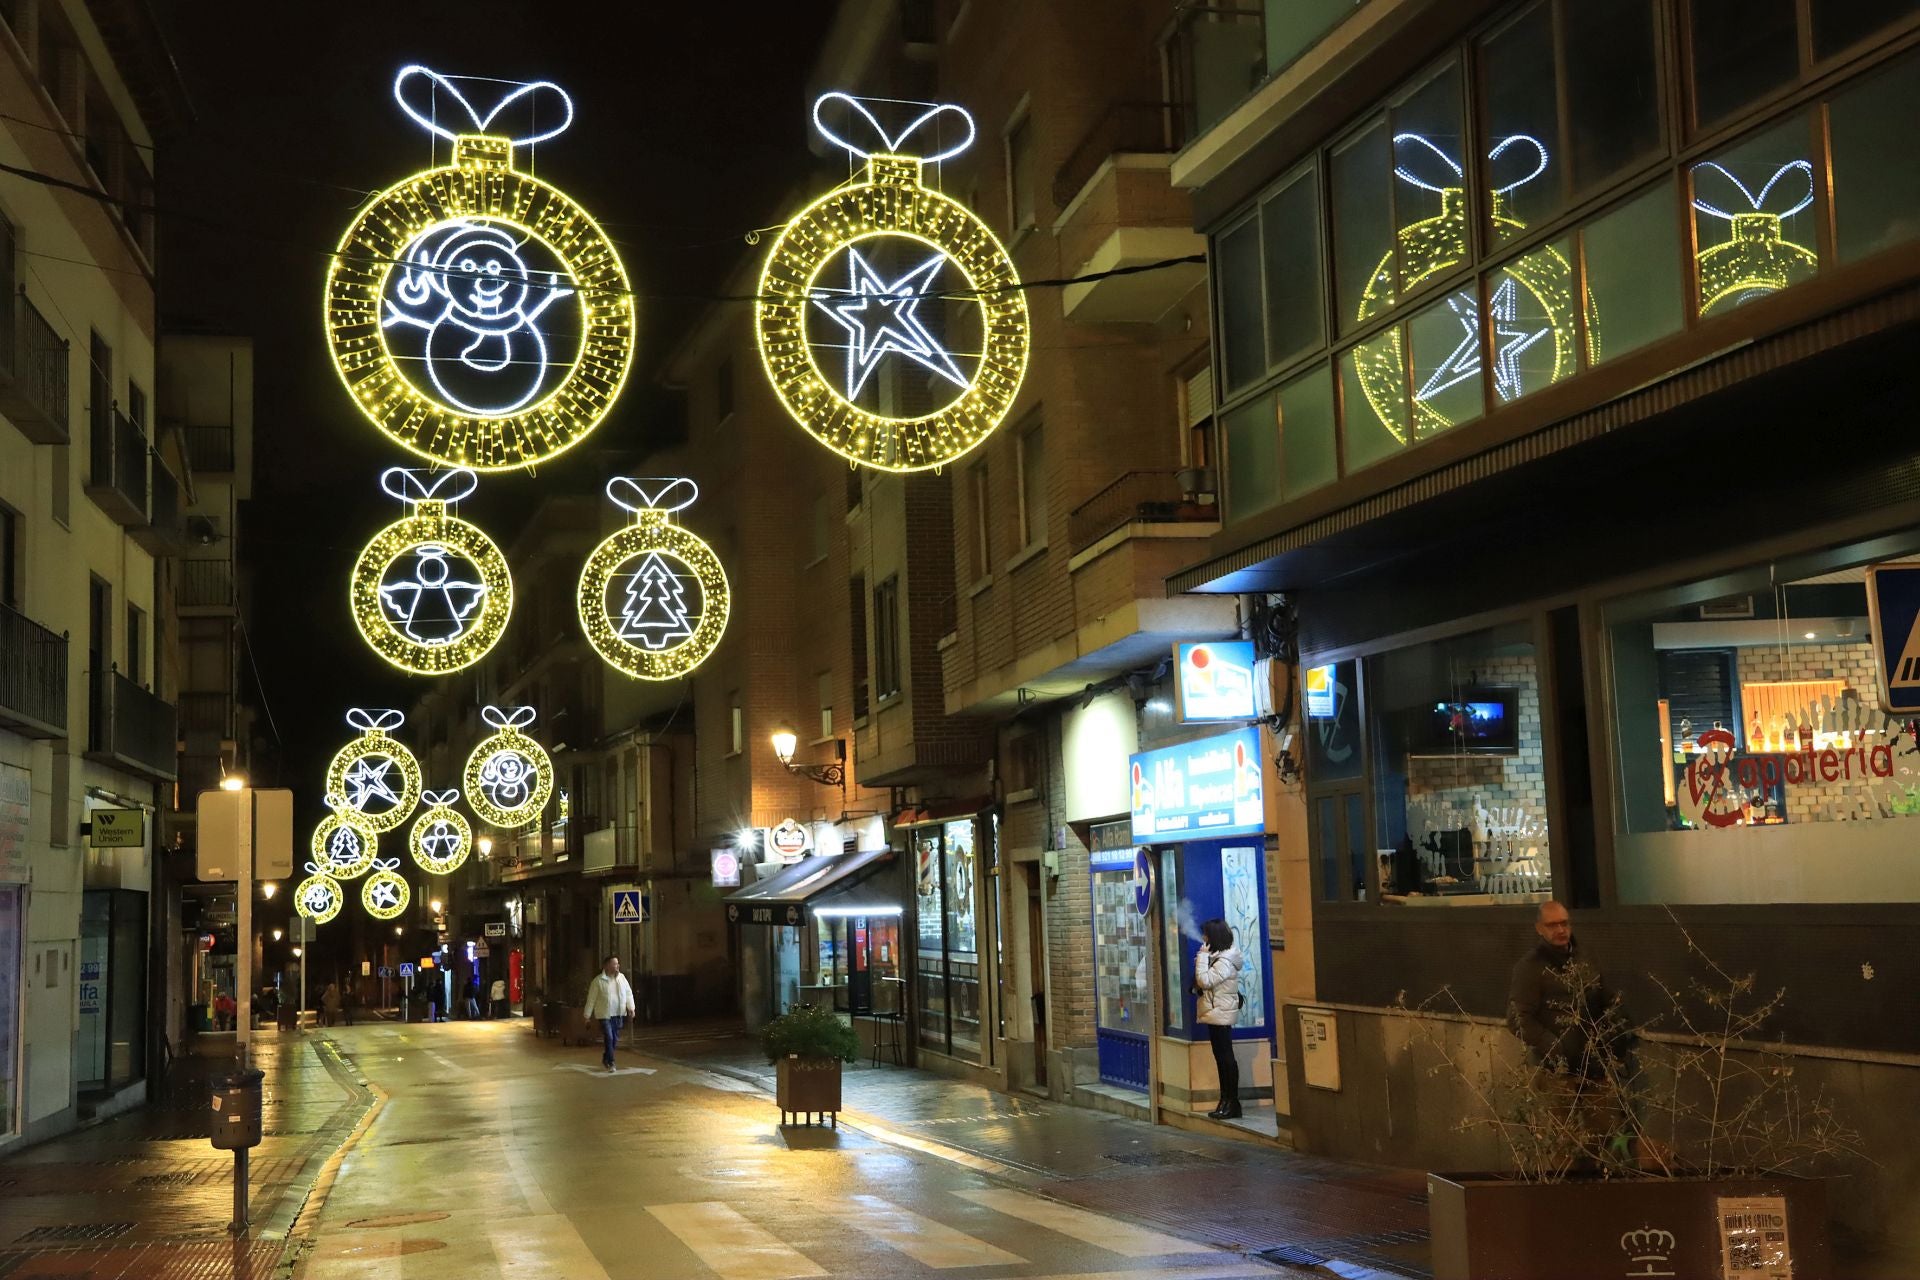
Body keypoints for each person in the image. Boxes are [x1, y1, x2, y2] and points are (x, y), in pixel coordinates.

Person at [1193, 919, 1244, 1119]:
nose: (1203, 938)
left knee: (1225, 1059)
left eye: (1206, 934)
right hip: (1215, 1012)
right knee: (1221, 1058)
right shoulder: (1218, 958)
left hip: (1221, 1013)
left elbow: (1206, 981)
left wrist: (1202, 958)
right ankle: (1225, 1100)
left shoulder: (1225, 960)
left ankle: (1232, 1102)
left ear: (1214, 937)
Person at [583, 955, 636, 1072]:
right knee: (609, 1036)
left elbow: (628, 993)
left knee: (614, 1039)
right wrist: (587, 1016)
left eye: (617, 963)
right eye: (614, 964)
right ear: (606, 966)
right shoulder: (598, 981)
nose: (617, 966)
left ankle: (606, 1057)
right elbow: (591, 999)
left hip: (618, 1013)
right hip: (604, 1015)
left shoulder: (621, 978)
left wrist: (631, 1008)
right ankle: (611, 1062)